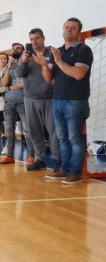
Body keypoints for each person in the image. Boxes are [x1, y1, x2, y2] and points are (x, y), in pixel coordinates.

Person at [34, 17, 93, 184]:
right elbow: (48, 78)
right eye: (66, 27)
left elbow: (78, 74)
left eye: (73, 28)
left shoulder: (83, 50)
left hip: (76, 102)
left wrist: (58, 60)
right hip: (58, 101)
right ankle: (64, 169)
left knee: (75, 139)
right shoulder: (58, 51)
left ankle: (75, 172)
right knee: (62, 138)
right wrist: (44, 65)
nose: (69, 30)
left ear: (79, 32)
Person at [17, 29, 60, 172]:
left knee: (54, 131)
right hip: (30, 98)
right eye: (31, 39)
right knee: (34, 131)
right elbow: (20, 74)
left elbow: (56, 73)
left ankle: (57, 160)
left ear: (43, 38)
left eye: (37, 38)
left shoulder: (52, 53)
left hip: (50, 98)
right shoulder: (26, 55)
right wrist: (24, 62)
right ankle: (40, 159)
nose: (34, 41)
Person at [0, 43, 35, 165]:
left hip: (23, 101)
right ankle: (10, 156)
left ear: (23, 50)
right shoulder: (9, 66)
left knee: (27, 129)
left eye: (18, 48)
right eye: (13, 48)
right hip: (9, 101)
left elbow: (27, 83)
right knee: (9, 130)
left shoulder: (27, 63)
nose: (15, 50)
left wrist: (12, 87)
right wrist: (9, 67)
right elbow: (4, 84)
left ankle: (31, 156)